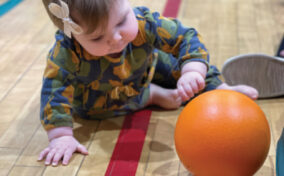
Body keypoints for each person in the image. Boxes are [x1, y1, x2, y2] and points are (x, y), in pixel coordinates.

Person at [38, 0, 258, 166]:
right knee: (93, 109)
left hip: (144, 68)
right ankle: (150, 95)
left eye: (122, 21)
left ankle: (220, 89)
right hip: (102, 95)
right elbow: (53, 89)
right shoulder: (66, 53)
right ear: (72, 35)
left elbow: (186, 37)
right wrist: (61, 135)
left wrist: (192, 71)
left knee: (183, 64)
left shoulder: (145, 24)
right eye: (97, 38)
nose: (116, 38)